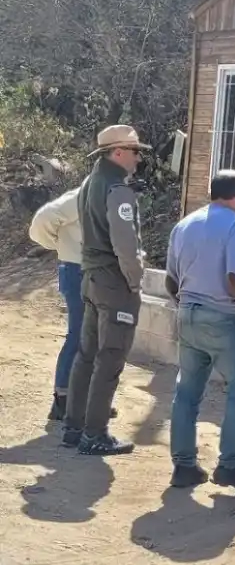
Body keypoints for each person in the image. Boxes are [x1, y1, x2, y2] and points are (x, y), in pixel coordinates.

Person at [164, 170, 235, 493]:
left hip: (187, 314)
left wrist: (186, 307)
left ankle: (184, 466)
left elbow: (171, 279)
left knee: (187, 393)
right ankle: (230, 466)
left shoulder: (184, 224)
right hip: (224, 318)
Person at [62, 125, 149, 455]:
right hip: (114, 282)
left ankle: (74, 426)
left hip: (91, 279)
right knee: (109, 358)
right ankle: (94, 433)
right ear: (117, 152)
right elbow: (126, 246)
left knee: (86, 356)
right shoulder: (117, 190)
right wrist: (135, 280)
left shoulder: (89, 184)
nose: (138, 158)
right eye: (134, 151)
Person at [29, 188, 83, 421]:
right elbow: (43, 220)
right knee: (79, 335)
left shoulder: (110, 194)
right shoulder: (85, 194)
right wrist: (58, 243)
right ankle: (62, 399)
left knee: (93, 338)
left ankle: (87, 399)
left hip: (92, 272)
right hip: (77, 270)